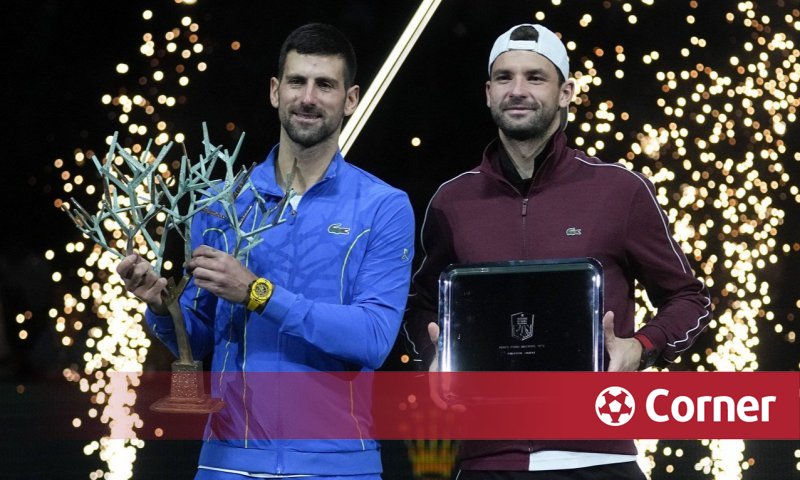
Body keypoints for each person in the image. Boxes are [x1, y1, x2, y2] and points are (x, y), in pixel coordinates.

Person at [403, 23, 712, 479]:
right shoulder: (453, 200)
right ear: (488, 93)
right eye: (505, 78)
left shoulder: (618, 189)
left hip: (600, 456)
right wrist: (435, 360)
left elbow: (690, 298)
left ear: (566, 91)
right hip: (487, 460)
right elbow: (420, 305)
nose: (518, 90)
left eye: (535, 77)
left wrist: (640, 347)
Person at [117, 23, 415, 479]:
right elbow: (196, 341)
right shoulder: (218, 203)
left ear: (351, 99)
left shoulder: (383, 207)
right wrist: (163, 308)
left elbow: (373, 338)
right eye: (297, 82)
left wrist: (259, 294)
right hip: (227, 465)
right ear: (276, 91)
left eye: (325, 85)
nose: (308, 97)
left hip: (337, 466)